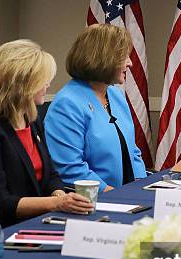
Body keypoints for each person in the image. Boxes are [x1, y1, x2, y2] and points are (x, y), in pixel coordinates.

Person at [0, 40, 93, 227]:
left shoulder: (31, 120)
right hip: (3, 229)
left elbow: (51, 175)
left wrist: (60, 195)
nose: (47, 84)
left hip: (40, 221)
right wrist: (56, 203)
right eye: (42, 80)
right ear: (23, 85)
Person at [44, 24, 147, 192]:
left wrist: (141, 187)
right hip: (96, 200)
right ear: (103, 58)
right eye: (124, 57)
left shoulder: (115, 95)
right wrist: (116, 195)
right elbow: (70, 169)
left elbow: (132, 151)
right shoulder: (67, 104)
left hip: (128, 195)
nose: (130, 63)